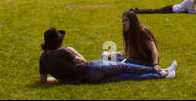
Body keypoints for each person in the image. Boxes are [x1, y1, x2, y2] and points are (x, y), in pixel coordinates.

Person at [38, 28, 173, 84]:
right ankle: (160, 71)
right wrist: (73, 50)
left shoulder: (43, 58)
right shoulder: (62, 51)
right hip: (90, 69)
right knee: (124, 67)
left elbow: (44, 79)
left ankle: (160, 75)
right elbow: (82, 61)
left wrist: (58, 77)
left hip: (85, 79)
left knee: (124, 76)